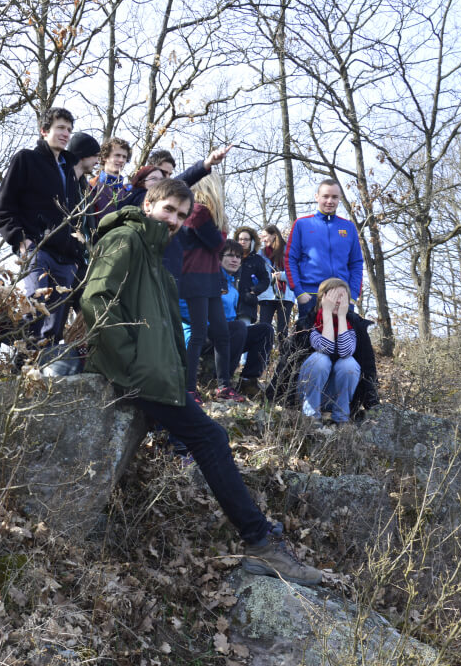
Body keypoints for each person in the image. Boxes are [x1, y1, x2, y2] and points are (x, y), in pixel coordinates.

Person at [80, 177, 321, 586]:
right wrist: (130, 363)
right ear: (149, 204)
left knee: (209, 437)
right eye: (166, 210)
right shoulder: (125, 239)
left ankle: (259, 539)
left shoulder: (155, 250)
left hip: (156, 371)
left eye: (180, 214)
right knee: (210, 438)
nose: (172, 219)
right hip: (141, 372)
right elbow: (95, 299)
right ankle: (260, 543)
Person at [0, 107, 85, 347]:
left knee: (54, 325)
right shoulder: (26, 159)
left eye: (69, 129)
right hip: (38, 248)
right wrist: (21, 240)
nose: (66, 134)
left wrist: (76, 253)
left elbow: (76, 216)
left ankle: (41, 376)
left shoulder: (70, 170)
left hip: (66, 258)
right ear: (44, 131)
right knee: (35, 309)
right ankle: (20, 368)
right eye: (60, 128)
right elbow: (4, 205)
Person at [180, 172, 240, 402]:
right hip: (194, 278)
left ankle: (224, 386)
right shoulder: (197, 211)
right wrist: (222, 225)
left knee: (222, 333)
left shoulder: (204, 213)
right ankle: (189, 388)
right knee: (198, 334)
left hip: (210, 278)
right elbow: (217, 243)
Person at [285, 179, 363, 322]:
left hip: (342, 297)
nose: (329, 201)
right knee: (309, 343)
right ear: (317, 197)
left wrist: (352, 296)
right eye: (325, 196)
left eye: (334, 197)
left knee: (343, 343)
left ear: (340, 198)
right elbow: (290, 259)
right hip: (310, 296)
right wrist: (299, 292)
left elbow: (356, 263)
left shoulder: (348, 227)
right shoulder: (302, 224)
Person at [298, 278, 360, 425]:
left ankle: (341, 418)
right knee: (320, 359)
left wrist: (342, 317)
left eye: (342, 297)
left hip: (334, 396)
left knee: (348, 364)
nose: (338, 301)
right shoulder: (311, 322)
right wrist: (326, 313)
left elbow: (345, 351)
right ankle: (311, 417)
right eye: (333, 296)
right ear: (323, 299)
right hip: (310, 393)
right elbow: (326, 348)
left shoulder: (354, 325)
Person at [218, 241, 275, 395]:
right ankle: (223, 383)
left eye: (238, 256)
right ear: (219, 257)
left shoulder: (232, 287)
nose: (235, 259)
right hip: (207, 336)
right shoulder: (212, 280)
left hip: (228, 335)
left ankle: (248, 380)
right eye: (230, 255)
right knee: (238, 327)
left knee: (265, 330)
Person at [256, 224, 294, 340]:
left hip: (285, 296)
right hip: (266, 296)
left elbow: (296, 273)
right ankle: (263, 357)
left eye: (265, 236)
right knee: (263, 329)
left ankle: (284, 357)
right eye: (261, 237)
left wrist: (282, 276)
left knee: (283, 331)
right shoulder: (260, 254)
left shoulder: (289, 251)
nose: (263, 239)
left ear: (274, 235)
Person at [231, 227, 271, 325]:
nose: (243, 242)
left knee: (243, 334)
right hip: (229, 303)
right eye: (240, 239)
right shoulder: (230, 257)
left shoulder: (258, 260)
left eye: (246, 239)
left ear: (252, 242)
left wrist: (254, 290)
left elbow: (265, 280)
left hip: (246, 305)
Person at [89, 136, 132, 220]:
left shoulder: (128, 192)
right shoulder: (91, 187)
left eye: (124, 157)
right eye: (117, 155)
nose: (121, 160)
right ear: (105, 157)